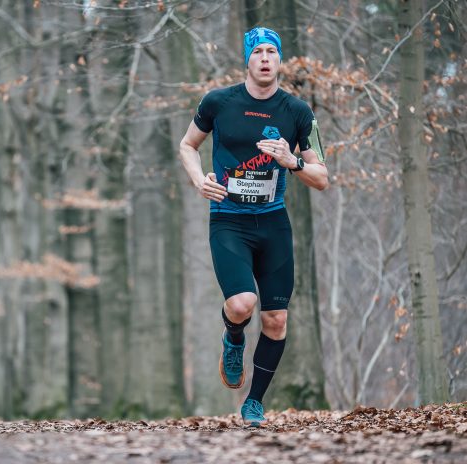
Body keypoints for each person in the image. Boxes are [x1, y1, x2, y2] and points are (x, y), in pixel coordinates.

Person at [178, 26, 329, 427]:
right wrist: (199, 181)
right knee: (243, 303)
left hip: (273, 222)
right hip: (229, 220)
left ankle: (254, 402)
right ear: (247, 59)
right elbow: (187, 145)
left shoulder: (298, 112)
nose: (264, 58)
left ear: (280, 60)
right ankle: (233, 335)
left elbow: (322, 176)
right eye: (257, 51)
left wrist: (291, 161)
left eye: (271, 52)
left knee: (276, 319)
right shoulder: (218, 102)